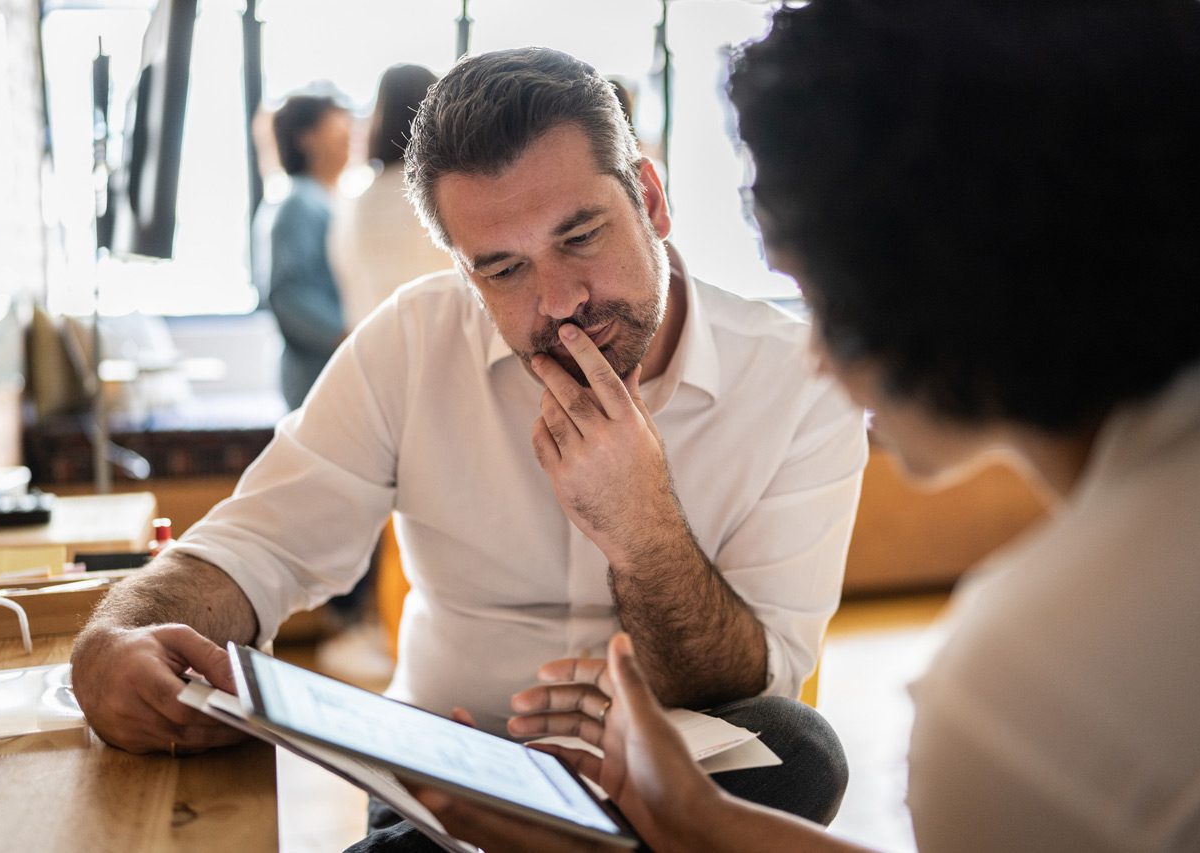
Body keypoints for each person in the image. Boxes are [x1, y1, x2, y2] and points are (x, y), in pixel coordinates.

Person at [410, 1, 1200, 851]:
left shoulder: (1023, 694)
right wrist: (698, 821)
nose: (821, 359)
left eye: (820, 292)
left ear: (937, 275)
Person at [68, 46, 868, 850]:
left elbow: (755, 682)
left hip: (670, 773)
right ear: (463, 269)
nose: (559, 304)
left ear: (652, 199)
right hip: (454, 769)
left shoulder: (801, 381)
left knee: (798, 751)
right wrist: (115, 640)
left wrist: (643, 526)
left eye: (582, 236)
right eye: (504, 269)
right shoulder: (412, 341)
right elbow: (250, 546)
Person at [328, 64, 448, 330]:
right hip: (440, 340)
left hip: (371, 344)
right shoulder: (441, 193)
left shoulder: (354, 200)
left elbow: (347, 281)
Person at [265, 92, 351, 410]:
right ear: (307, 139)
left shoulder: (326, 199)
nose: (348, 132)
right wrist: (348, 335)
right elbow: (289, 295)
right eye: (337, 123)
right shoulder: (298, 204)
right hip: (316, 374)